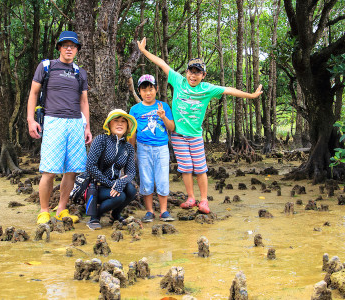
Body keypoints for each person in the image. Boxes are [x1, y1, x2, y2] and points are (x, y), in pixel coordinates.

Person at [137, 37, 263, 214]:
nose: (193, 75)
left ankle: (204, 200)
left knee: (200, 168)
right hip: (178, 135)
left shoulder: (206, 88)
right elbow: (162, 63)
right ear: (186, 72)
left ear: (203, 75)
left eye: (197, 73)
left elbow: (228, 90)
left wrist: (250, 96)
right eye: (191, 71)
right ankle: (191, 198)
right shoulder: (178, 81)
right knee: (186, 168)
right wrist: (144, 52)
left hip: (195, 135)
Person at [27, 31, 92, 224]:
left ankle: (61, 209)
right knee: (49, 170)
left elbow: (84, 101)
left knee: (71, 170)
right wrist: (31, 120)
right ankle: (44, 210)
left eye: (73, 45)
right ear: (59, 48)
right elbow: (33, 93)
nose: (69, 48)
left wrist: (86, 127)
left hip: (75, 124)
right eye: (65, 45)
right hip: (53, 121)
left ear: (77, 49)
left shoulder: (80, 73)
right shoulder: (46, 66)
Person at [129, 74, 175, 222]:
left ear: (156, 89)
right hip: (143, 148)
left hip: (161, 147)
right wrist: (131, 150)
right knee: (146, 179)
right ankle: (149, 211)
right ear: (139, 92)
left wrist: (163, 117)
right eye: (144, 90)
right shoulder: (135, 109)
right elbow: (132, 132)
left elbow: (172, 128)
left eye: (150, 89)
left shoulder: (164, 106)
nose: (148, 93)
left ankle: (164, 211)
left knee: (162, 179)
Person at [86, 109, 137, 230]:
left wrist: (121, 182)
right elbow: (90, 166)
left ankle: (115, 214)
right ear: (109, 124)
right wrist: (111, 183)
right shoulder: (101, 140)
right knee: (120, 197)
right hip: (96, 186)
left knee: (131, 190)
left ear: (127, 126)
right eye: (116, 121)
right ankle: (95, 217)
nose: (120, 124)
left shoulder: (128, 147)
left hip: (114, 184)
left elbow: (131, 172)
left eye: (123, 121)